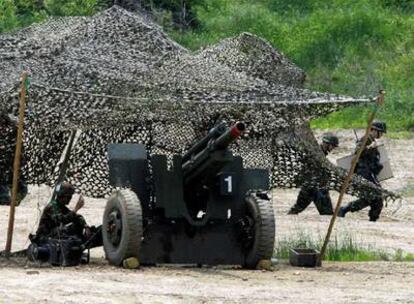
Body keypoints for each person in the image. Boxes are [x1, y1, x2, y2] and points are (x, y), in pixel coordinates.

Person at [339, 121, 387, 221]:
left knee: (374, 197)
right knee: (375, 196)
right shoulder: (365, 139)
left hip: (369, 173)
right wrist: (369, 148)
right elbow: (357, 152)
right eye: (380, 132)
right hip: (363, 173)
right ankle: (345, 209)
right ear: (373, 130)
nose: (381, 135)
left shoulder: (371, 140)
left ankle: (371, 219)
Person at [30, 182, 101, 246]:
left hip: (52, 235)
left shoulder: (61, 207)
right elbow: (61, 220)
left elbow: (77, 217)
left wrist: (86, 226)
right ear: (62, 196)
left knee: (77, 223)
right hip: (45, 237)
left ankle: (87, 237)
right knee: (68, 228)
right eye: (68, 197)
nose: (70, 199)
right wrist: (76, 209)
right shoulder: (52, 206)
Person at [288, 133, 339, 215]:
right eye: (332, 146)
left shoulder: (320, 152)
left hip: (313, 184)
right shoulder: (315, 152)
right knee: (299, 206)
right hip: (311, 184)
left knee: (299, 207)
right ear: (326, 144)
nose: (333, 148)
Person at [0, 113, 28, 205]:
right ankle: (5, 199)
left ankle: (13, 199)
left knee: (20, 187)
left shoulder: (12, 123)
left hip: (12, 160)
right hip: (6, 162)